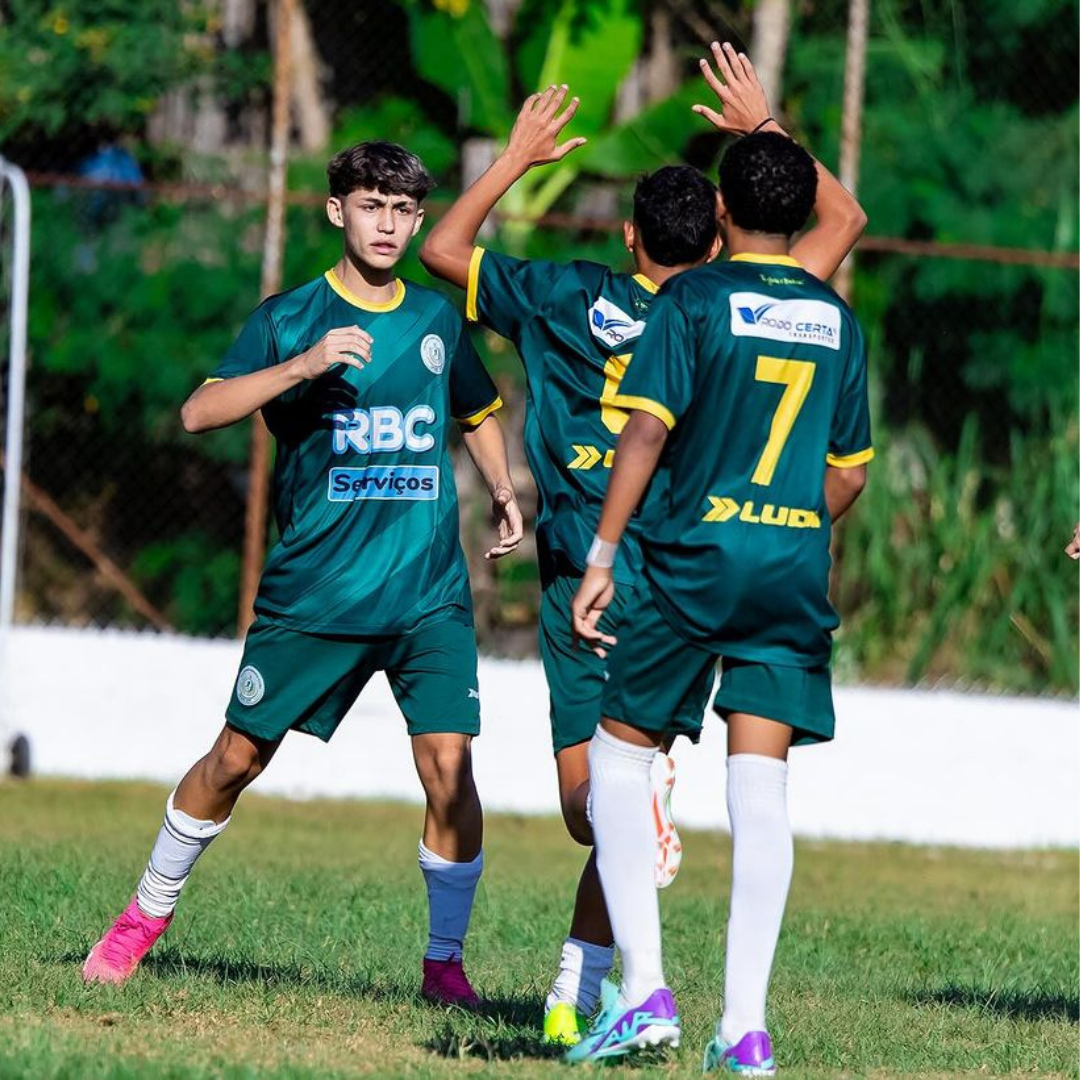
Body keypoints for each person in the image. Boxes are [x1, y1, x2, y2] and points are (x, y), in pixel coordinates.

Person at [420, 42, 866, 1045]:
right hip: (747, 556)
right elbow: (841, 221)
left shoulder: (577, 297)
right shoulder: (767, 305)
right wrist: (764, 131)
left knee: (599, 798)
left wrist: (516, 160)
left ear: (628, 234)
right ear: (712, 235)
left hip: (610, 555)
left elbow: (443, 252)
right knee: (733, 780)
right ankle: (600, 993)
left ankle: (634, 978)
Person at [82, 141, 524, 1010]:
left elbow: (476, 411)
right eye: (372, 207)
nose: (388, 225)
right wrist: (303, 365)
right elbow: (200, 409)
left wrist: (504, 489)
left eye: (403, 211)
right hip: (316, 593)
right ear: (337, 212)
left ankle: (444, 966)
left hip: (426, 594)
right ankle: (143, 916)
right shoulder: (290, 318)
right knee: (234, 761)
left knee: (450, 768)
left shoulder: (437, 321)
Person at [568, 117, 873, 1067]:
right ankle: (744, 1029)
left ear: (723, 213)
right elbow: (851, 474)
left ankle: (646, 989)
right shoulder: (836, 317)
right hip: (791, 566)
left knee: (618, 759)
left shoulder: (694, 298)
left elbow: (647, 431)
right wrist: (780, 520)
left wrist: (602, 553)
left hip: (692, 556)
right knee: (762, 787)